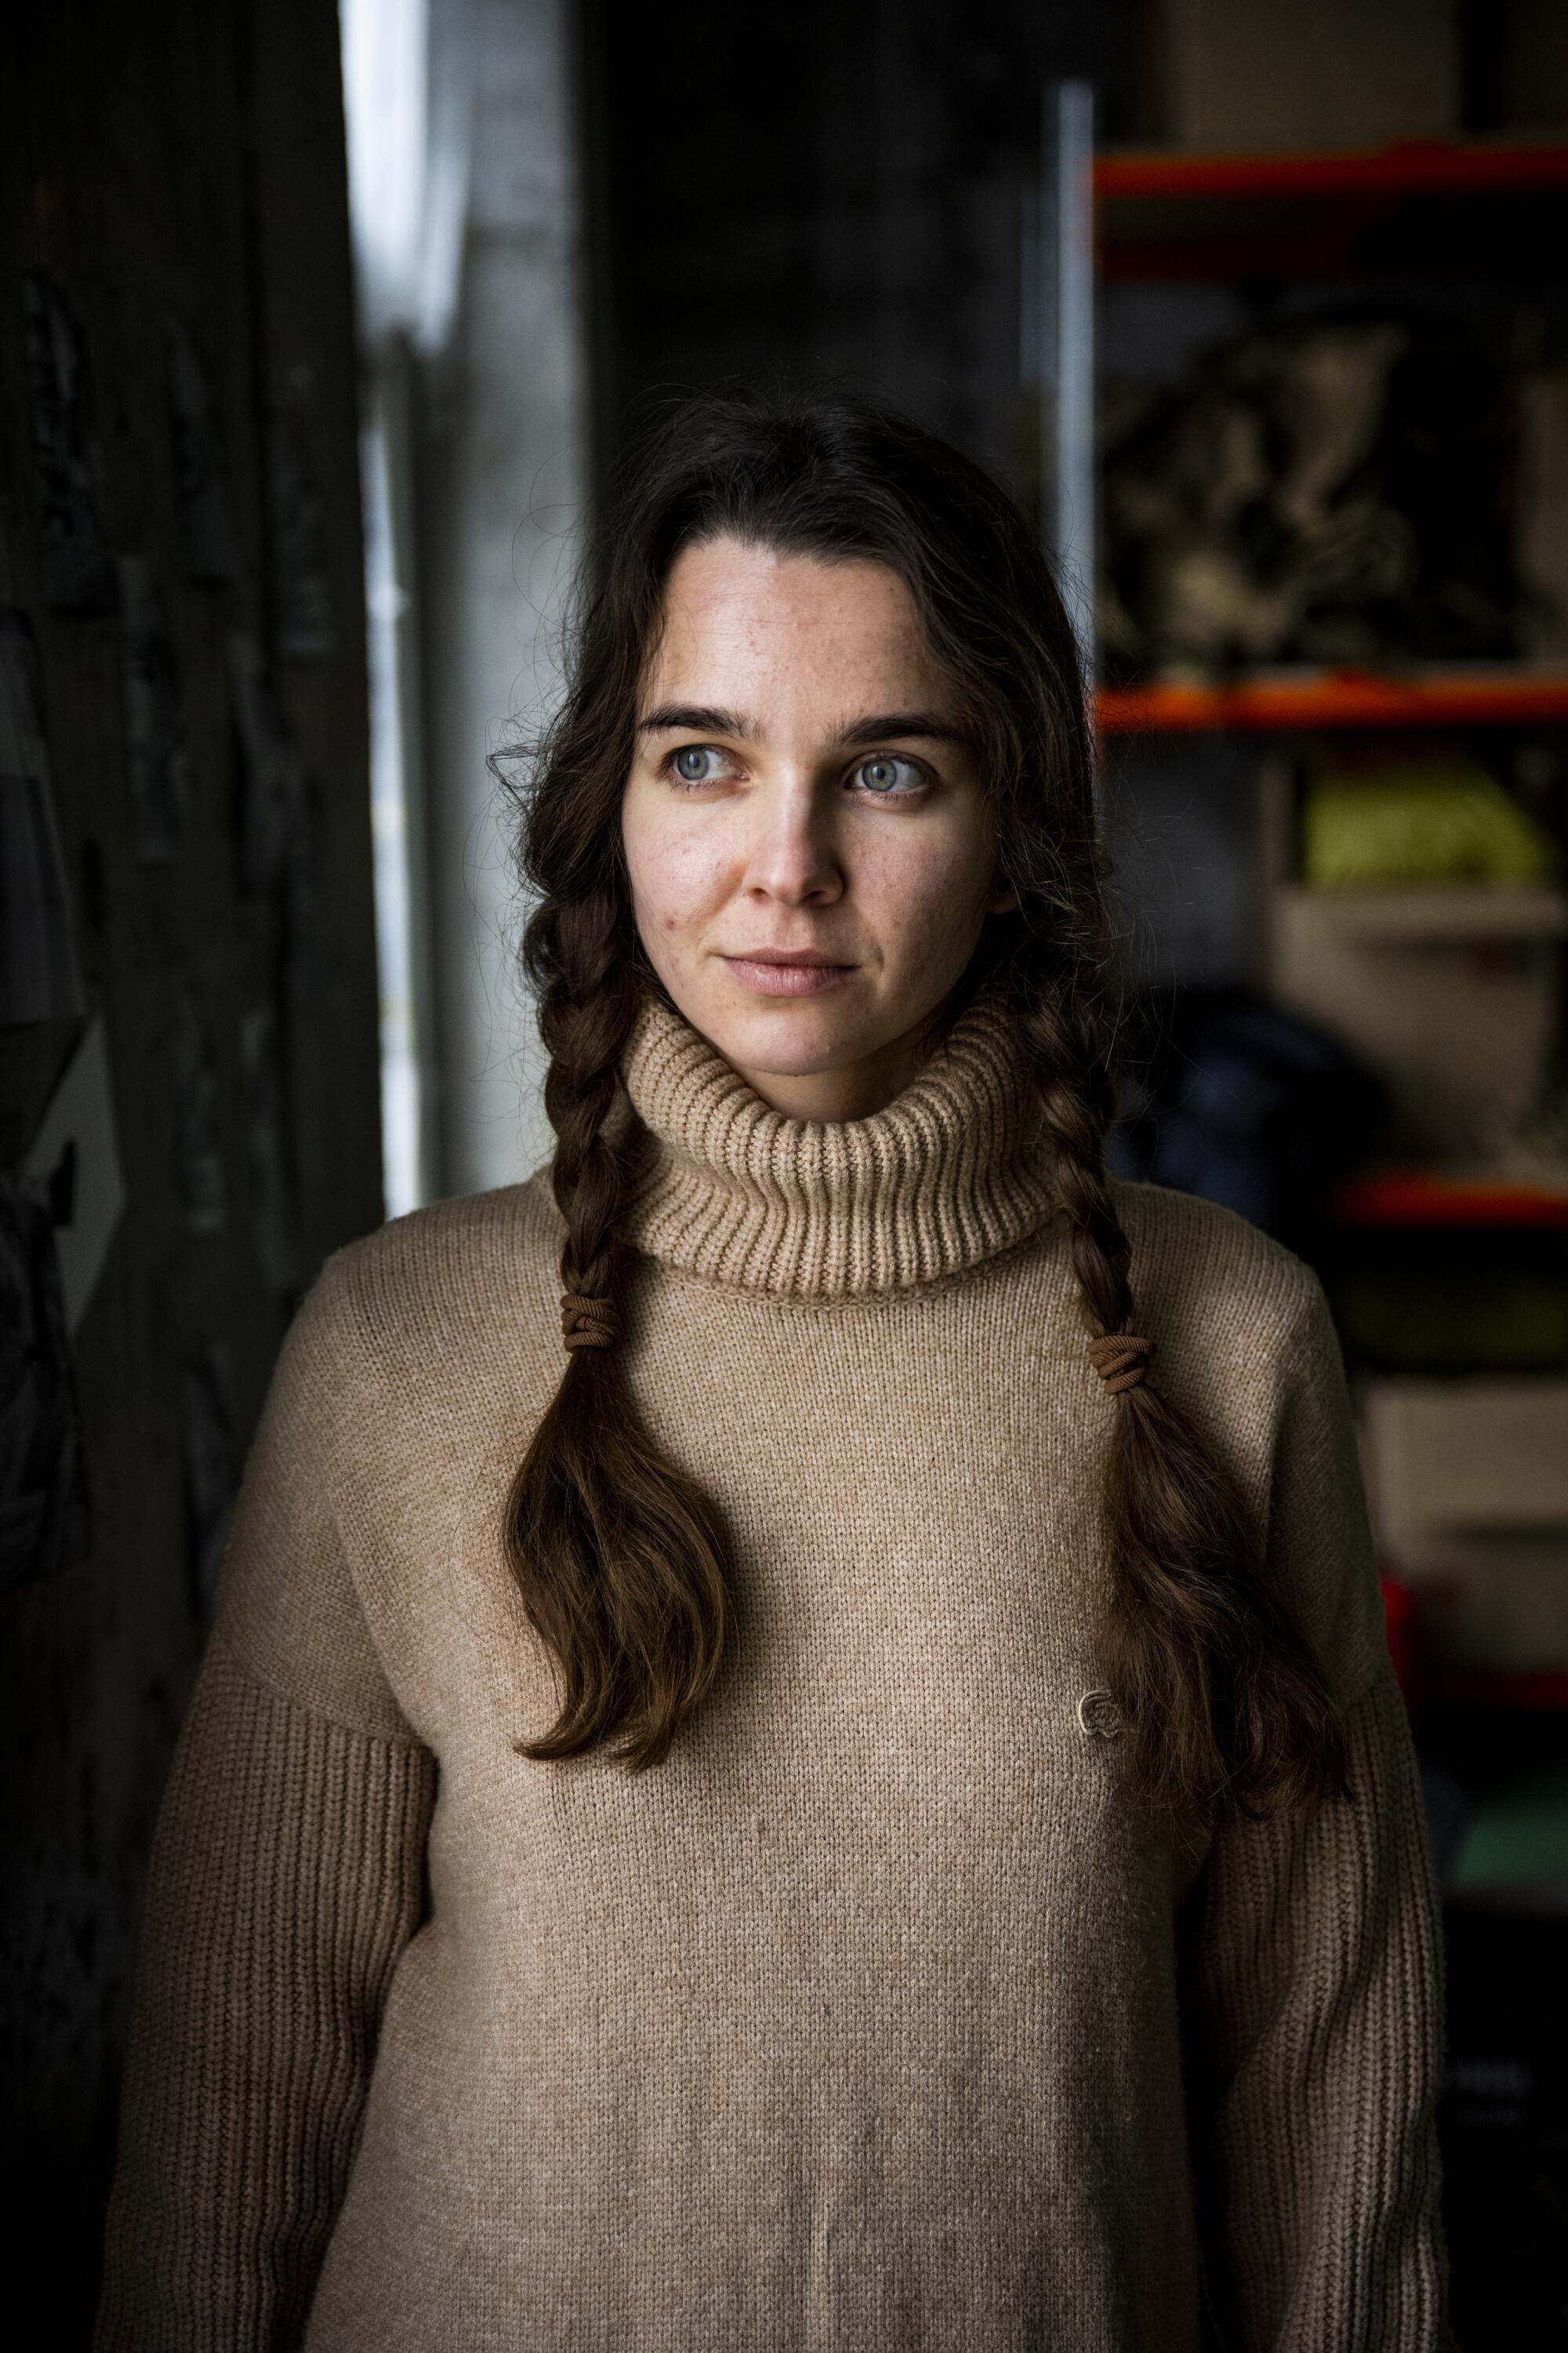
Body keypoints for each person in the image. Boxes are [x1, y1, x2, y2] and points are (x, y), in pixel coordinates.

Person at [95, 391, 1450, 2352]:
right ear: (609, 808)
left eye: (887, 769)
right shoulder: (395, 1349)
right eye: (703, 759)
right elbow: (236, 2097)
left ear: (1016, 837)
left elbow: (1332, 2072)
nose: (784, 864)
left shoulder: (1228, 1340)